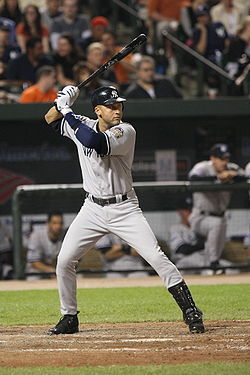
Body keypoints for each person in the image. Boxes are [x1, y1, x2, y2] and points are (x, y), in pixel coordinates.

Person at [44, 84, 205, 335]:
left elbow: (93, 141)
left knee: (155, 256)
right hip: (92, 208)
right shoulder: (82, 122)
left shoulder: (125, 131)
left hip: (124, 208)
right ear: (98, 110)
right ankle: (69, 317)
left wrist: (67, 110)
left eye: (119, 105)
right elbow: (49, 119)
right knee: (64, 261)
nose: (117, 110)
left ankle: (190, 310)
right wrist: (62, 101)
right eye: (111, 106)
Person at [188, 143, 246, 273]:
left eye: (226, 159)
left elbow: (246, 177)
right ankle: (213, 263)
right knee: (217, 223)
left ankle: (212, 267)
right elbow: (193, 178)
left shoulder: (231, 168)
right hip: (200, 218)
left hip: (220, 216)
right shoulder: (202, 167)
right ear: (212, 158)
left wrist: (234, 176)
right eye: (221, 159)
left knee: (220, 224)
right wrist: (217, 177)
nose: (224, 162)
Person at [26, 212, 65, 280]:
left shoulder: (66, 236)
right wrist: (51, 270)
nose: (58, 226)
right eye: (54, 223)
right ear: (48, 224)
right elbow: (34, 263)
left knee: (78, 276)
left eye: (60, 223)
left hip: (57, 270)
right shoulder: (36, 236)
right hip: (38, 270)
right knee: (33, 278)